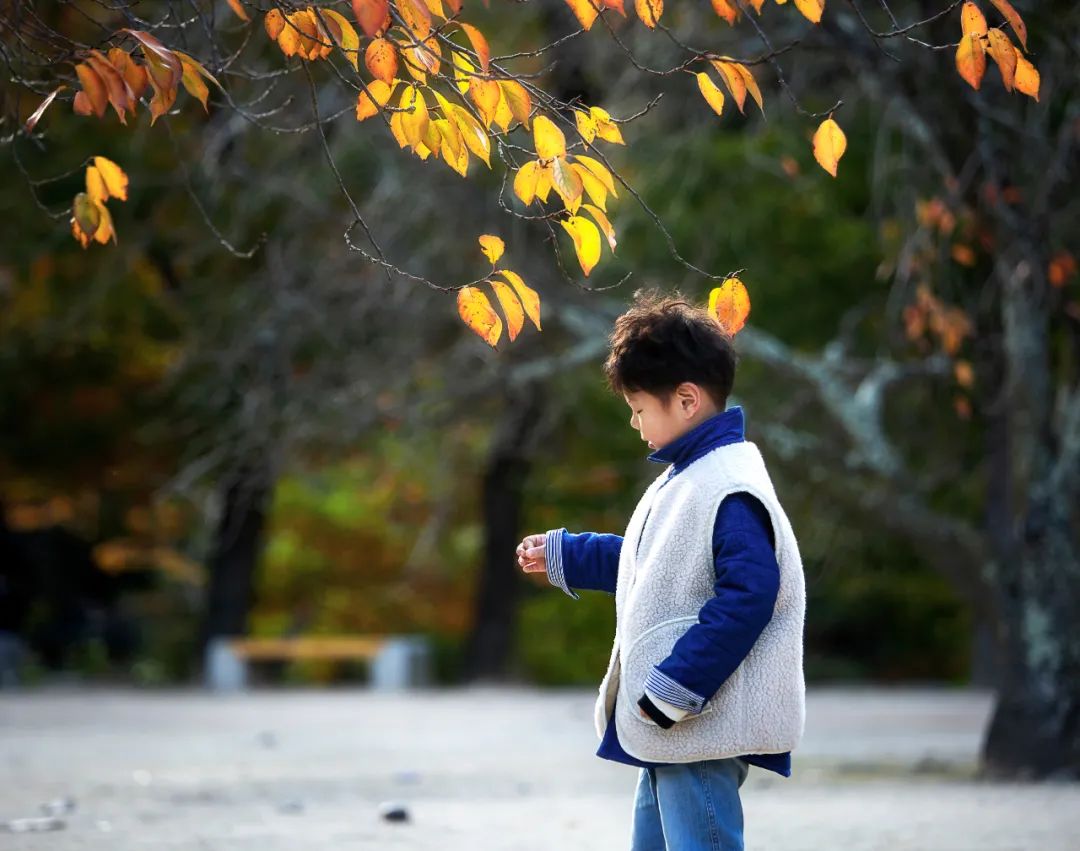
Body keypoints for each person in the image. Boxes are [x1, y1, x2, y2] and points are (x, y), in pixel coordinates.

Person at [516, 288, 806, 851]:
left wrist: (677, 687)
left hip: (694, 722)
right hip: (671, 728)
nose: (634, 422)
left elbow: (750, 595)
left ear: (687, 400)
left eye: (639, 408)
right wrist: (567, 555)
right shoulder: (690, 477)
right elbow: (652, 563)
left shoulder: (728, 484)